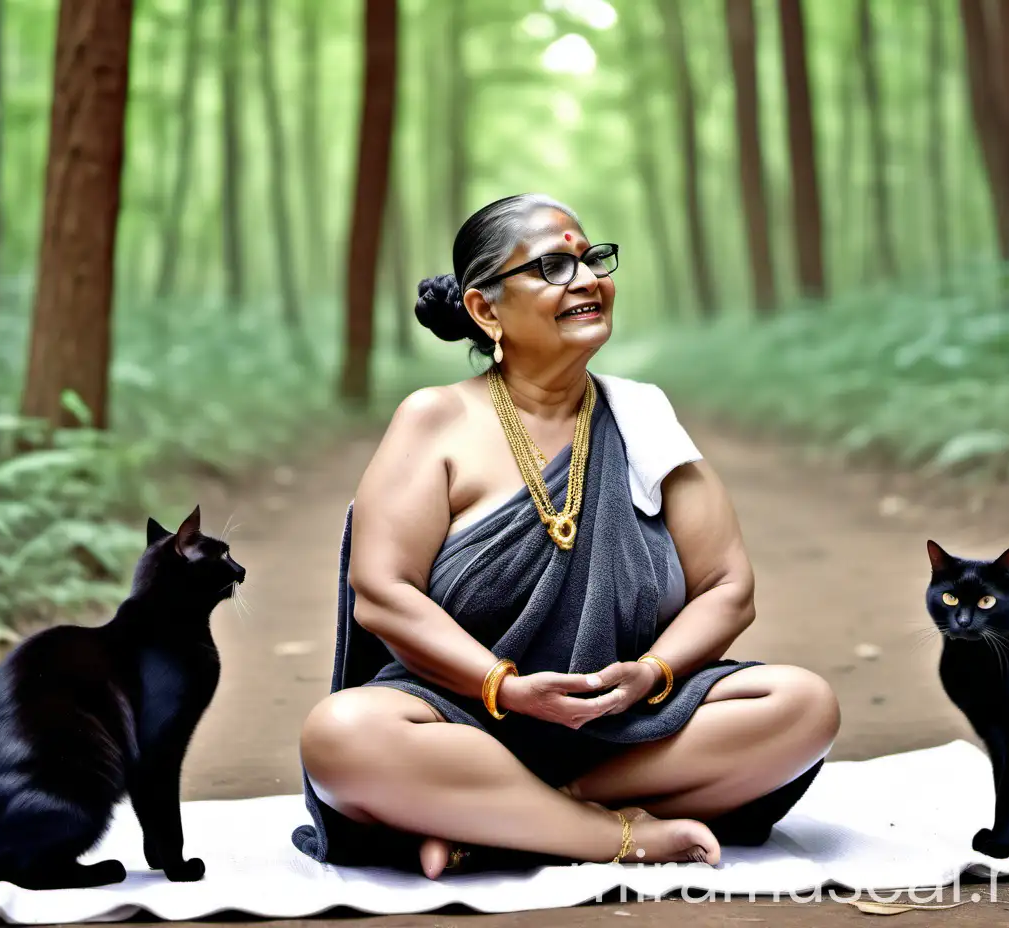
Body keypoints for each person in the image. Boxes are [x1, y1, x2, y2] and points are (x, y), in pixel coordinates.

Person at [292, 193, 840, 879]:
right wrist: (506, 687)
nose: (586, 281)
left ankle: (514, 822)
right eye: (551, 266)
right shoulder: (434, 421)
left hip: (621, 730)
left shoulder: (641, 418)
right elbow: (382, 592)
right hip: (456, 719)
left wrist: (650, 673)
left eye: (590, 259)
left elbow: (727, 588)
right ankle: (614, 835)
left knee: (801, 707)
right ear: (485, 309)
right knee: (341, 734)